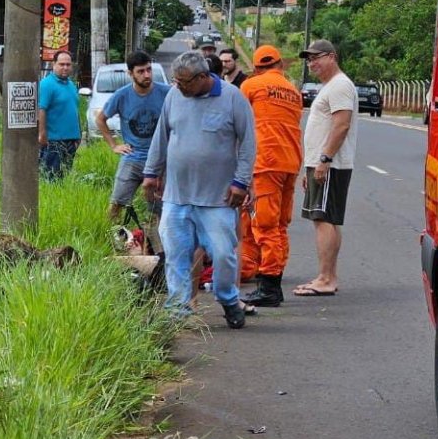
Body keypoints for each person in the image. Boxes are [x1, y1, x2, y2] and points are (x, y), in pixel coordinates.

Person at [142, 51, 256, 329]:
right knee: (176, 253)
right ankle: (178, 308)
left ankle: (229, 299)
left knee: (223, 254)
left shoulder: (232, 98)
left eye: (184, 82)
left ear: (203, 77)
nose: (179, 87)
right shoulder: (174, 96)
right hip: (177, 196)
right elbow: (162, 136)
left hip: (217, 199)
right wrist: (150, 172)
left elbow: (248, 143)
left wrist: (241, 182)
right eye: (176, 81)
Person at [239, 45, 303, 307]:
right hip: (290, 162)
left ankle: (269, 286)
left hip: (265, 163)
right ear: (280, 65)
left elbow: (239, 123)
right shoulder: (294, 92)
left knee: (264, 225)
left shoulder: (251, 86)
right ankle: (273, 274)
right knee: (280, 224)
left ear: (256, 67)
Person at [294, 39, 359, 296]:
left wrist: (324, 160)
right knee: (327, 218)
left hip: (330, 164)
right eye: (309, 60)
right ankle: (328, 276)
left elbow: (341, 125)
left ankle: (325, 278)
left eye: (316, 57)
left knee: (322, 219)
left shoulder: (340, 85)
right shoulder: (331, 86)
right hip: (321, 163)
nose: (312, 63)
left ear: (332, 56)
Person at [96, 50, 171, 221]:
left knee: (158, 209)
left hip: (160, 161)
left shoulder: (166, 93)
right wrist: (114, 145)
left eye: (149, 70)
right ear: (130, 74)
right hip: (132, 158)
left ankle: (155, 244)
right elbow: (100, 119)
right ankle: (110, 237)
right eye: (141, 71)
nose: (147, 75)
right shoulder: (122, 95)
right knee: (116, 204)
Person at [38, 50, 81, 180]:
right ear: (53, 65)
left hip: (71, 141)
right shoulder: (47, 84)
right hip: (54, 141)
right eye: (61, 64)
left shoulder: (71, 85)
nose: (65, 67)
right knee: (52, 179)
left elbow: (74, 109)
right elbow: (41, 109)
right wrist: (42, 134)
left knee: (65, 177)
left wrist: (78, 134)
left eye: (68, 64)